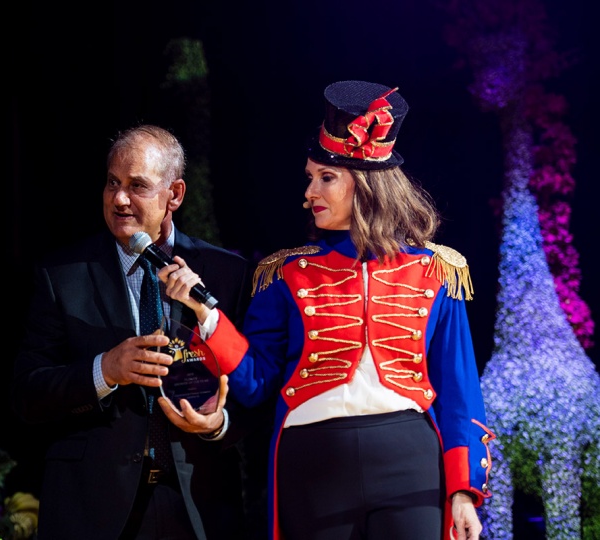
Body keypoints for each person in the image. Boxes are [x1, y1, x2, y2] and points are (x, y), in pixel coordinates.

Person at [158, 81, 496, 540]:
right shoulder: (284, 274)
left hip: (411, 463)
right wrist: (205, 313)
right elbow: (256, 383)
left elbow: (460, 391)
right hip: (313, 464)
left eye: (326, 178)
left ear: (367, 183)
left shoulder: (437, 271)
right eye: (309, 177)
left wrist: (463, 491)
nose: (309, 192)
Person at [10, 124, 269, 540]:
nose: (119, 198)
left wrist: (218, 422)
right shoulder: (63, 276)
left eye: (137, 186)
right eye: (112, 183)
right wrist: (105, 370)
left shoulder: (226, 273)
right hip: (93, 509)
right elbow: (28, 394)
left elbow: (258, 391)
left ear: (175, 195)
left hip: (198, 505)